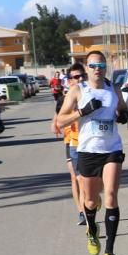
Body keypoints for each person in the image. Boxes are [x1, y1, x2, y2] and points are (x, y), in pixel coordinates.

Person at [56, 51, 128, 255]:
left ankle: (110, 252)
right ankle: (92, 230)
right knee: (90, 200)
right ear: (86, 68)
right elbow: (60, 120)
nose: (97, 68)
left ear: (105, 67)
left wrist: (123, 116)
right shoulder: (78, 90)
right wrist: (82, 111)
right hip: (88, 150)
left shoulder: (113, 90)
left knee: (110, 196)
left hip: (112, 149)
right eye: (93, 65)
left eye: (101, 64)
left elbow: (123, 109)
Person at [51, 64, 87, 225]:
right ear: (69, 79)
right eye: (75, 77)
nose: (79, 80)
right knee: (76, 178)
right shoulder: (65, 98)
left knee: (89, 180)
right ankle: (82, 211)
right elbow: (55, 124)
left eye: (81, 76)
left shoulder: (89, 92)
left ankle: (90, 202)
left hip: (90, 142)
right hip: (71, 142)